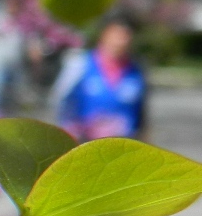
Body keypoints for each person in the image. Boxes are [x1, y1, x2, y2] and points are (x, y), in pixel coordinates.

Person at [54, 14, 147, 142]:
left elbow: (142, 113)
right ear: (104, 34)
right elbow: (61, 101)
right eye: (117, 34)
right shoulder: (80, 64)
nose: (122, 40)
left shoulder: (136, 71)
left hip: (124, 147)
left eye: (127, 35)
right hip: (84, 144)